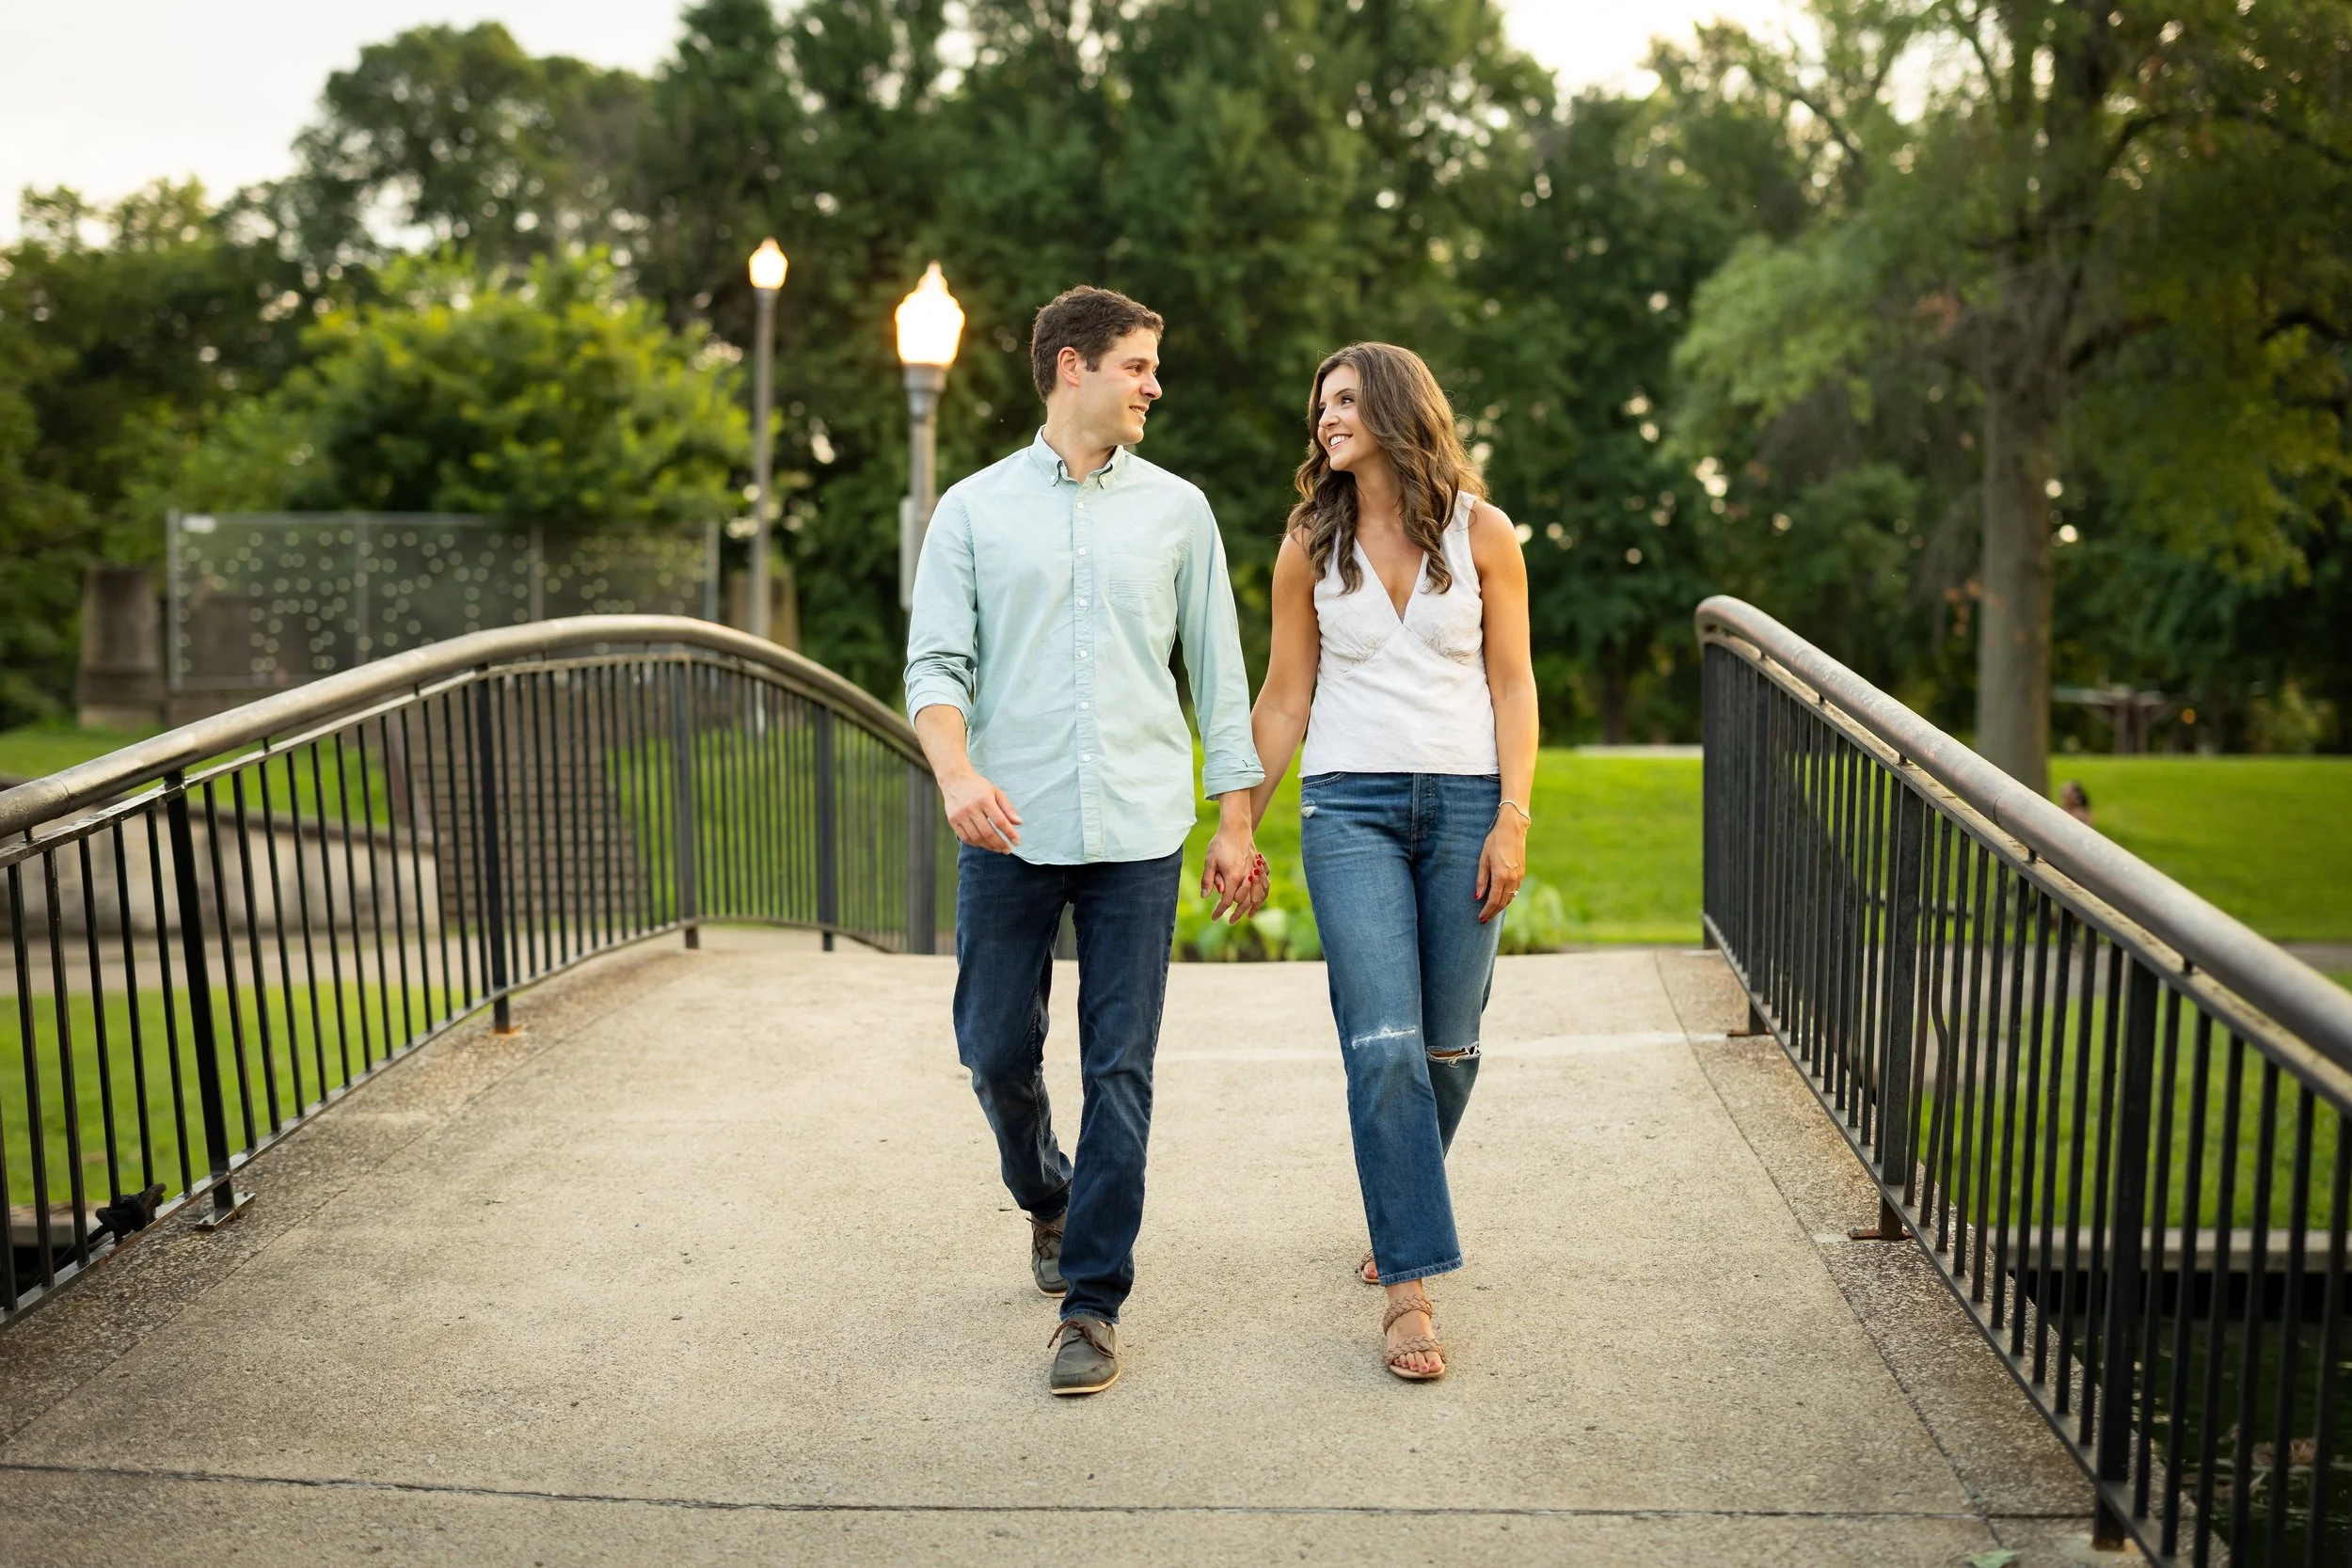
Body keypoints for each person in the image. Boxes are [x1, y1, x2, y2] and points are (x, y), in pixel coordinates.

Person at [903, 285, 1265, 1398]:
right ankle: (1045, 1194)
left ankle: (1093, 1301)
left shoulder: (1178, 511)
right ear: (1073, 366)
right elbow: (935, 668)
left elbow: (1217, 671)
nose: (1155, 384)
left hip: (1140, 828)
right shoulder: (969, 510)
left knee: (1120, 1065)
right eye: (1139, 365)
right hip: (1008, 830)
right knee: (994, 1052)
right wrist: (956, 771)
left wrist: (1234, 816)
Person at [1245, 342, 1538, 1382]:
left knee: (1447, 1047)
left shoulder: (1482, 532)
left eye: (1345, 399)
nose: (1326, 417)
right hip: (1347, 807)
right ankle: (1409, 1287)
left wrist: (1512, 817)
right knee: (1382, 1041)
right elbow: (1283, 699)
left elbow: (1512, 685)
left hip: (1465, 805)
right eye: (1319, 401)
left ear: (1397, 407)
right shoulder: (1306, 544)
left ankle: (1395, 1202)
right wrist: (1238, 822)